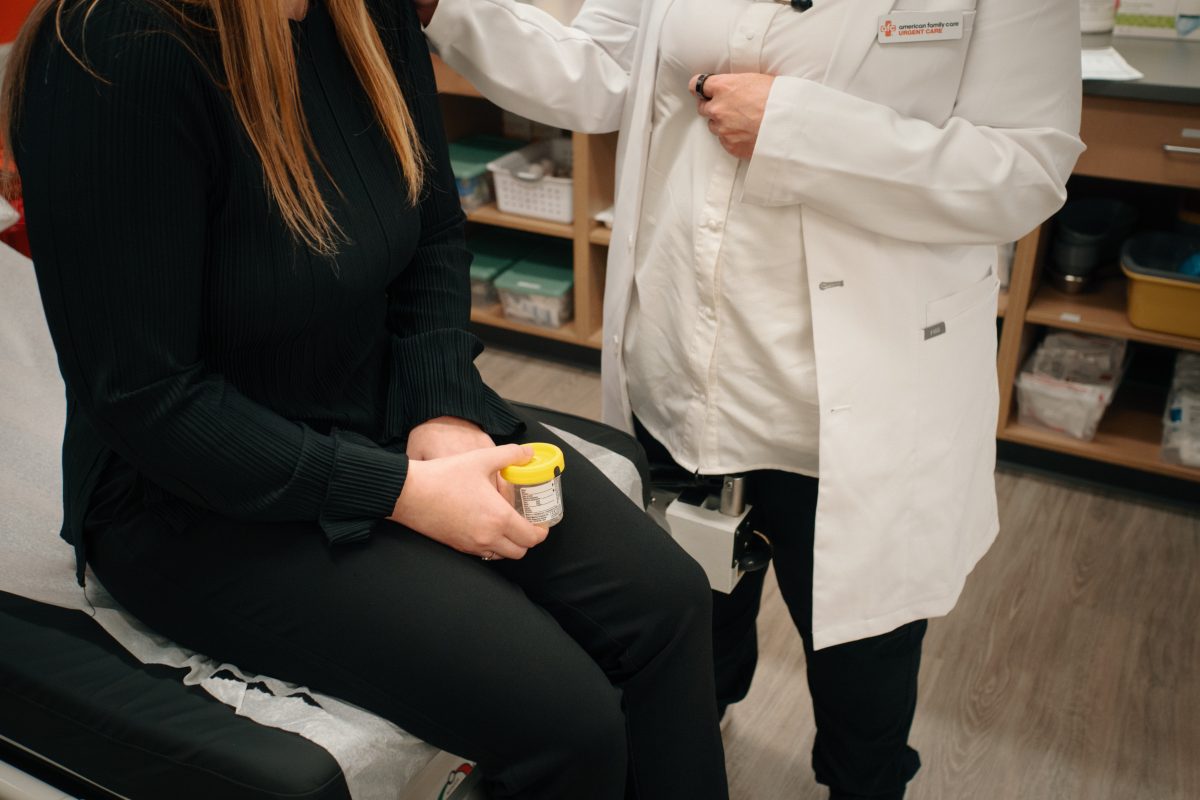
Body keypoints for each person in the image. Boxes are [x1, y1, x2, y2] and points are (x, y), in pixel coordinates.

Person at [0, 1, 731, 797]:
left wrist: (443, 408)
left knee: (669, 607)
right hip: (193, 492)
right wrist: (400, 493)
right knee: (566, 718)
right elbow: (144, 398)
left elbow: (434, 232)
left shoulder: (364, 12)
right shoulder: (112, 52)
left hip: (374, 402)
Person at [416, 0, 1085, 797]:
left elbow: (1025, 169)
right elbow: (598, 75)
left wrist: (798, 129)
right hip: (684, 379)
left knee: (862, 691)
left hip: (850, 415)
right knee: (689, 641)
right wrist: (443, 7)